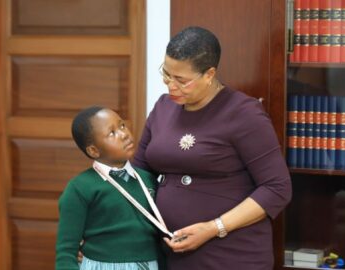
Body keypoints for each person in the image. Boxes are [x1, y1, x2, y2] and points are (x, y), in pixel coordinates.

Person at [132, 26, 292, 269]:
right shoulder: (163, 107)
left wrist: (214, 227)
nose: (171, 86)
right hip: (168, 252)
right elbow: (137, 175)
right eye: (166, 74)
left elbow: (277, 188)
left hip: (230, 254)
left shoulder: (244, 114)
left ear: (209, 74)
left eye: (182, 80)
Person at [55, 106, 166, 270]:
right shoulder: (79, 187)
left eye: (122, 125)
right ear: (93, 150)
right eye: (112, 133)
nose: (124, 134)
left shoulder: (147, 179)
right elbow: (66, 251)